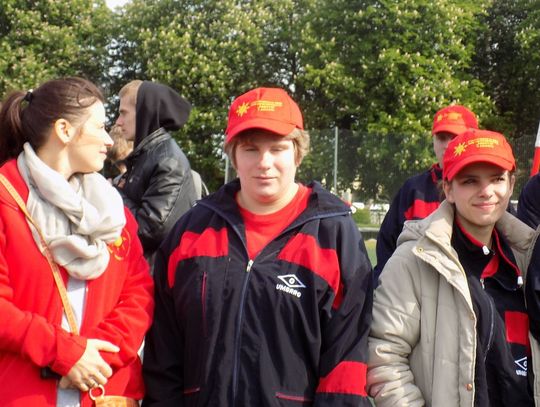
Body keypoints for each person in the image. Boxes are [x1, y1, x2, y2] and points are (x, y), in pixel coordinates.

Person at [142, 87, 374, 406]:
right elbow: (163, 354)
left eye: (277, 149)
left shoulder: (334, 236)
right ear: (233, 155)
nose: (264, 163)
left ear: (297, 153)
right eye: (250, 149)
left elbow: (346, 360)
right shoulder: (191, 232)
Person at [0, 77, 154, 406]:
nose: (108, 139)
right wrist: (65, 353)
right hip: (23, 392)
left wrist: (95, 359)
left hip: (104, 390)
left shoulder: (112, 210)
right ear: (64, 130)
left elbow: (138, 294)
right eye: (99, 127)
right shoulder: (5, 198)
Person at [367, 129, 540, 406]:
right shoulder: (413, 260)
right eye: (470, 181)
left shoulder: (528, 258)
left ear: (511, 184)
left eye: (497, 179)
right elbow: (384, 357)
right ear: (448, 189)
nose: (486, 191)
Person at [374, 105, 478, 282]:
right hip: (416, 291)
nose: (447, 145)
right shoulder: (413, 190)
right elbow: (387, 248)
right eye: (441, 138)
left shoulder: (489, 193)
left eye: (455, 138)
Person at [114, 80, 197, 264]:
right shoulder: (147, 156)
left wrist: (114, 194)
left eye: (123, 113)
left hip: (156, 276)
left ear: (144, 112)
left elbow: (150, 230)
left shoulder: (168, 161)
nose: (118, 122)